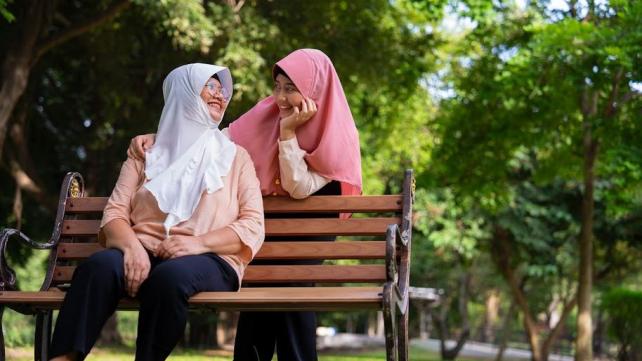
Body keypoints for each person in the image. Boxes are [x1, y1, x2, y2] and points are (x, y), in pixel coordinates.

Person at [128, 49, 362, 361]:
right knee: (261, 286)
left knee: (290, 288)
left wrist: (288, 133)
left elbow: (297, 188)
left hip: (306, 239)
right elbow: (209, 141)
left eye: (291, 89)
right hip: (263, 236)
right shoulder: (264, 115)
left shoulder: (337, 134)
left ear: (315, 89)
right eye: (277, 86)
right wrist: (162, 136)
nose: (280, 97)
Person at [49, 63, 264, 361]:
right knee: (97, 267)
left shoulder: (236, 157)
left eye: (222, 89)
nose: (220, 95)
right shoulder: (145, 152)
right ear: (184, 93)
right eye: (210, 86)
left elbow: (253, 225)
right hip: (142, 248)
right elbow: (114, 215)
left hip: (211, 258)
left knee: (169, 278)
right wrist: (132, 248)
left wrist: (197, 243)